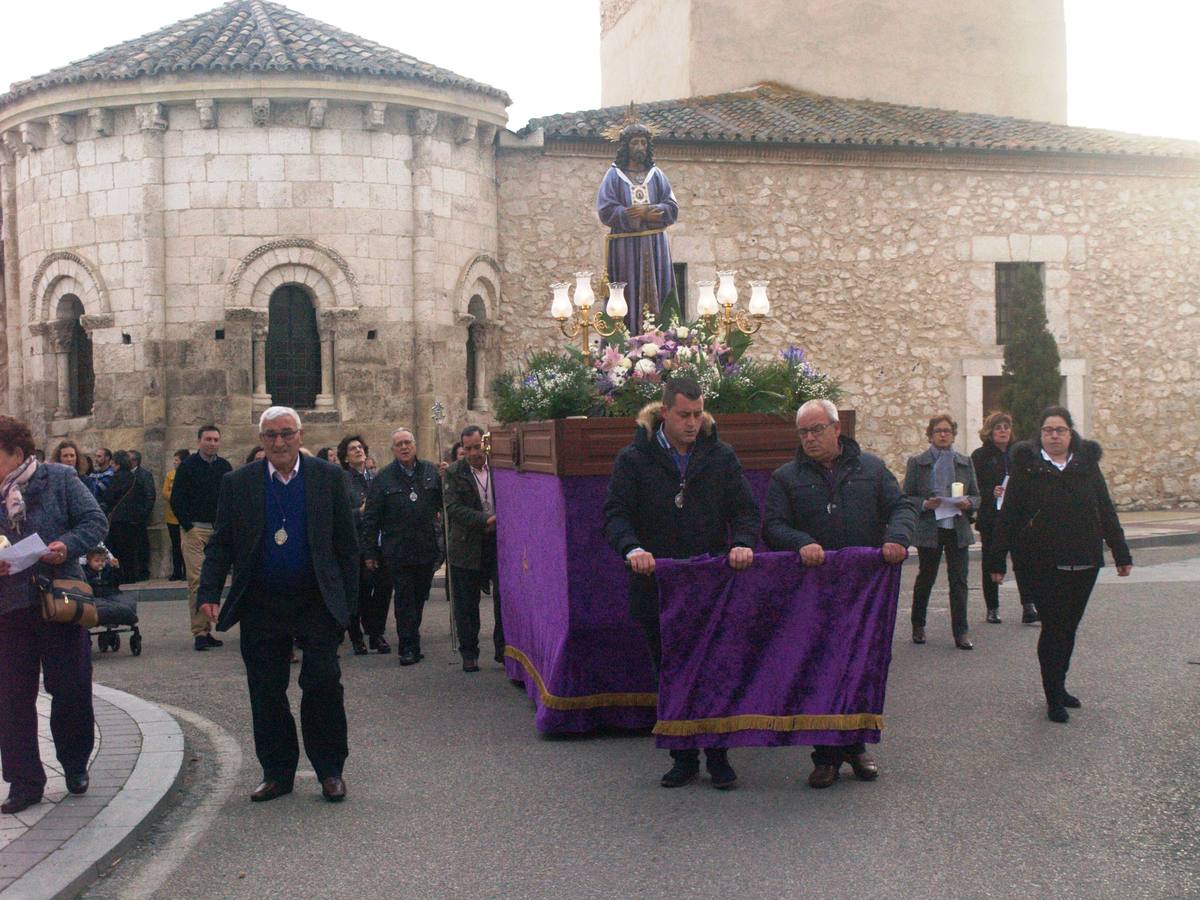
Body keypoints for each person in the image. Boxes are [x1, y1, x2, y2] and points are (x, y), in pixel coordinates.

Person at [603, 378, 758, 790]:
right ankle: (683, 754)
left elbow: (745, 511)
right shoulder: (634, 460)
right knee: (670, 670)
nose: (693, 423)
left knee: (714, 668)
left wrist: (742, 543)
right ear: (665, 412)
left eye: (697, 415)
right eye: (684, 415)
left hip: (709, 584)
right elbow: (615, 514)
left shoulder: (720, 457)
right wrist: (631, 548)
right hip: (656, 584)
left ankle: (719, 754)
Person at [198, 406, 359, 803]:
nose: (279, 442)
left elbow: (346, 546)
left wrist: (347, 605)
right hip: (262, 602)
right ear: (261, 440)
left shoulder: (329, 477)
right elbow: (221, 543)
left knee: (322, 684)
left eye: (286, 433)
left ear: (300, 436)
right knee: (266, 691)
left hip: (315, 600)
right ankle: (277, 772)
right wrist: (208, 593)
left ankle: (330, 771)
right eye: (270, 435)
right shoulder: (238, 483)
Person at [763, 399, 916, 789]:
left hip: (863, 590)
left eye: (816, 430)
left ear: (836, 430)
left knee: (861, 664)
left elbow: (901, 508)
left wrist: (897, 538)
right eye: (803, 432)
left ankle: (857, 746)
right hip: (813, 592)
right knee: (820, 668)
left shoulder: (872, 469)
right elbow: (774, 526)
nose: (810, 438)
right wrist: (801, 542)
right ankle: (825, 756)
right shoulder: (786, 477)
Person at [987, 406, 1132, 724]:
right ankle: (1053, 696)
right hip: (1041, 562)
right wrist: (997, 560)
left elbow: (1104, 509)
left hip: (1084, 561)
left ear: (1070, 433)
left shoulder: (1087, 466)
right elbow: (1008, 516)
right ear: (1040, 435)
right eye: (1048, 430)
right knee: (1053, 628)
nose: (1054, 435)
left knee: (1068, 628)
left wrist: (1121, 552)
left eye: (1060, 430)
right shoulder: (1027, 468)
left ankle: (1060, 684)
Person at [0, 415, 107, 814]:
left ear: (17, 451)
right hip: (9, 608)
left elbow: (95, 521)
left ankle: (75, 763)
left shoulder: (59, 478)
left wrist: (65, 545)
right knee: (11, 699)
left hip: (60, 600)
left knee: (71, 688)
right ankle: (24, 782)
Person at [361, 429, 442, 666]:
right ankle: (407, 646)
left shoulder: (430, 471)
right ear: (393, 450)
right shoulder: (384, 478)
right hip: (397, 549)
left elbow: (441, 503)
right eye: (399, 444)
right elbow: (372, 518)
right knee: (404, 598)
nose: (404, 447)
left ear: (414, 445)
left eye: (407, 443)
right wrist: (370, 552)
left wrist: (446, 478)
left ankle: (412, 636)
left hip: (425, 548)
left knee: (419, 597)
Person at [903, 415, 980, 650]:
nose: (943, 434)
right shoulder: (918, 463)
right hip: (930, 528)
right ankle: (918, 624)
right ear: (930, 435)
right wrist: (926, 504)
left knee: (959, 582)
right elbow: (906, 496)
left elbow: (977, 495)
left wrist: (969, 503)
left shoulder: (965, 462)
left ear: (953, 434)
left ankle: (961, 632)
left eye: (947, 431)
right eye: (938, 431)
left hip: (957, 528)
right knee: (926, 578)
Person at [596, 115, 679, 330]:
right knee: (627, 292)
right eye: (635, 142)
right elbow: (605, 209)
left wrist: (653, 212)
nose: (640, 147)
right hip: (625, 247)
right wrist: (632, 215)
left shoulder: (657, 175)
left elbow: (672, 207)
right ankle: (626, 340)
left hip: (655, 246)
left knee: (659, 292)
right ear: (626, 146)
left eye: (643, 142)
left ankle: (663, 341)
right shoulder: (614, 176)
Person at [445, 425, 505, 672]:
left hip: (499, 542)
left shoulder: (501, 467)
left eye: (477, 447)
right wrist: (484, 520)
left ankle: (504, 650)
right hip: (467, 544)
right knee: (466, 604)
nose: (472, 453)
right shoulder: (453, 473)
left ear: (486, 445)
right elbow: (453, 508)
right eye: (467, 448)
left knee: (503, 599)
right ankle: (469, 652)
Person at [170, 425, 233, 651]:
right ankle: (200, 631)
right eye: (208, 439)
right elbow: (177, 499)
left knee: (214, 581)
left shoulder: (224, 467)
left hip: (218, 531)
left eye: (216, 439)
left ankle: (209, 628)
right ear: (199, 441)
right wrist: (188, 526)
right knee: (197, 580)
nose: (212, 443)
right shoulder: (188, 467)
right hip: (195, 530)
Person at [971, 412, 1037, 625]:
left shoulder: (1019, 454)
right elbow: (975, 487)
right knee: (991, 562)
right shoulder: (980, 456)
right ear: (990, 432)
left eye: (1006, 427)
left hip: (1017, 518)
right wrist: (992, 491)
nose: (1003, 431)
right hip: (991, 517)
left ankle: (1028, 606)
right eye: (998, 427)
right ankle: (992, 608)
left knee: (1024, 561)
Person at [338, 434, 392, 656]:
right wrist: (359, 513)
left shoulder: (376, 477)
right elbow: (338, 513)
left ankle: (376, 633)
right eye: (353, 449)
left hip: (379, 542)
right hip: (355, 544)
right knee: (359, 592)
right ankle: (357, 636)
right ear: (345, 457)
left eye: (360, 447)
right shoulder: (341, 479)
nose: (358, 451)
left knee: (382, 590)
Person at [101, 451, 148, 584]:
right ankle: (132, 575)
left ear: (117, 464)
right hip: (132, 519)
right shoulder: (135, 478)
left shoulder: (116, 478)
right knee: (130, 550)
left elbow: (108, 497)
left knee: (118, 549)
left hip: (118, 518)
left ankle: (120, 576)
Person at [128, 450, 156, 582]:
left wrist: (143, 514)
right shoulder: (125, 474)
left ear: (134, 461)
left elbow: (150, 495)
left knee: (141, 544)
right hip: (128, 517)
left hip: (139, 517)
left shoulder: (144, 475)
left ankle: (143, 571)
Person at [163, 449, 190, 581]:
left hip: (185, 516)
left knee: (186, 546)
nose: (174, 462)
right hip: (172, 516)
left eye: (177, 460)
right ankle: (177, 571)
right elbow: (165, 492)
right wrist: (175, 497)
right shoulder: (170, 475)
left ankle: (187, 571)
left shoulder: (188, 473)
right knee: (175, 545)